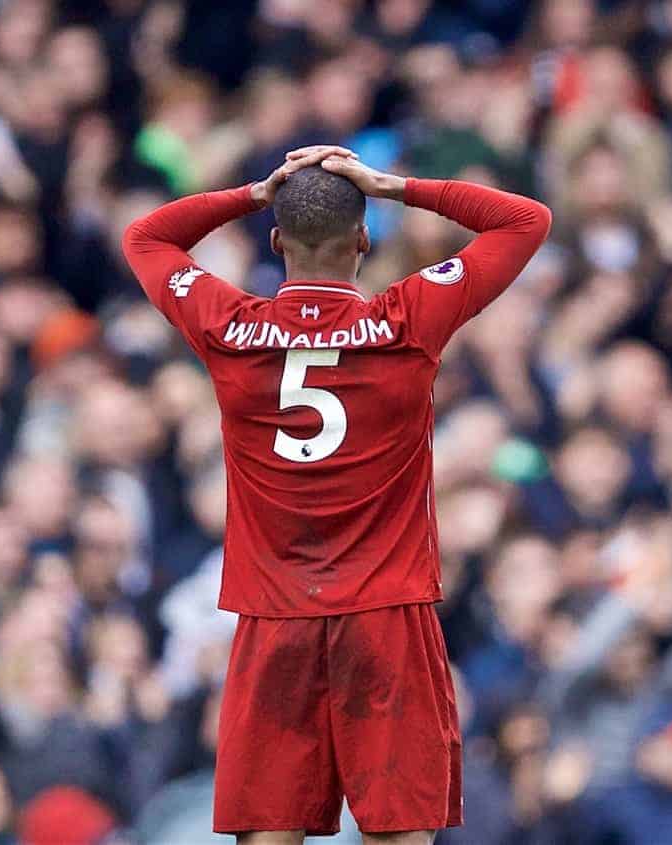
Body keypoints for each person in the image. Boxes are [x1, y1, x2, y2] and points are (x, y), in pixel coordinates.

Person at [122, 144, 552, 843]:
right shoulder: (407, 320)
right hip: (386, 611)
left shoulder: (230, 329)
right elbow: (525, 220)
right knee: (400, 830)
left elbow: (146, 237)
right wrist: (395, 185)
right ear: (364, 238)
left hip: (275, 613)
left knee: (268, 832)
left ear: (275, 242)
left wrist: (254, 192)